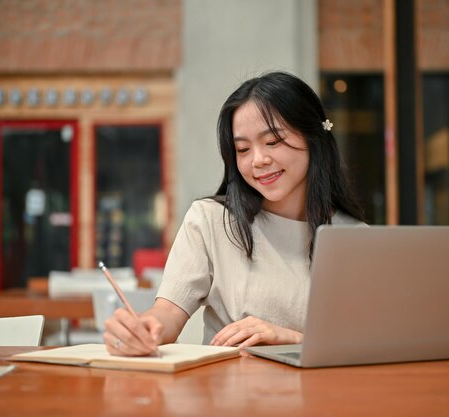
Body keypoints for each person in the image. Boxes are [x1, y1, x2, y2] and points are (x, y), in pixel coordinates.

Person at [104, 71, 366, 356]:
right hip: (227, 393)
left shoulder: (355, 238)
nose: (258, 160)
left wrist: (292, 338)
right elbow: (167, 311)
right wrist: (143, 329)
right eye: (242, 149)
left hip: (323, 397)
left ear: (313, 137)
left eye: (273, 141)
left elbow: (366, 344)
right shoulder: (211, 221)